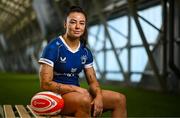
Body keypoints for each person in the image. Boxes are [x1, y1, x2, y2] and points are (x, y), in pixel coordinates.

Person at [38, 6, 127, 117]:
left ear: (85, 26)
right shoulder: (53, 48)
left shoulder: (85, 51)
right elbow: (45, 84)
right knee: (84, 100)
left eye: (81, 23)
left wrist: (98, 96)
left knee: (120, 99)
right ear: (65, 24)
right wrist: (75, 89)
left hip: (79, 94)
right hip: (58, 97)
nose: (77, 27)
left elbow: (93, 82)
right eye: (73, 22)